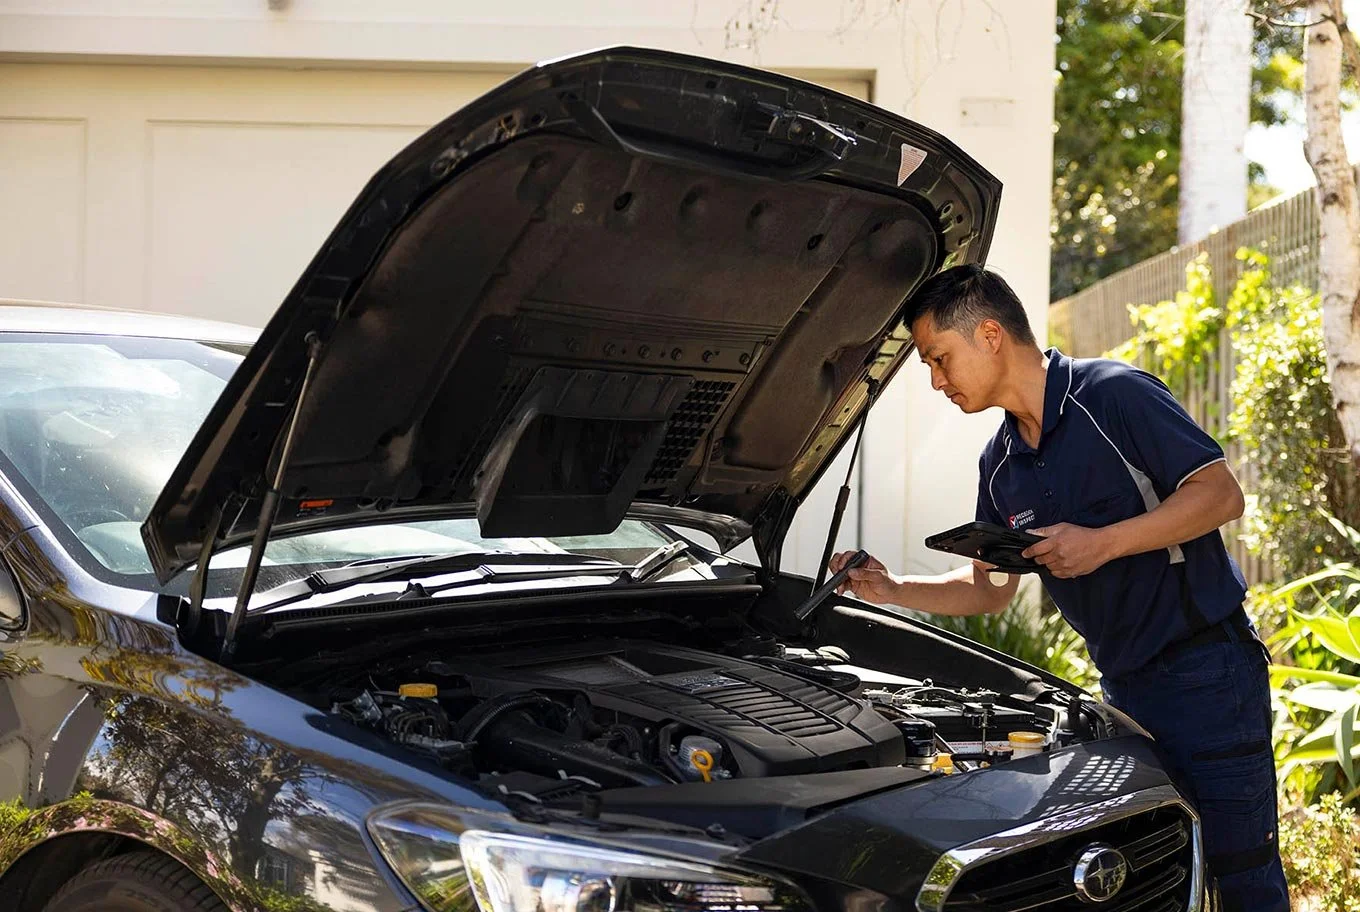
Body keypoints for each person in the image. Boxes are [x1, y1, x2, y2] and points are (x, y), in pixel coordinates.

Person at [828, 264, 1289, 911]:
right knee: (1152, 873)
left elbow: (1220, 495)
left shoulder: (1115, 396)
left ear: (990, 335)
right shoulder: (998, 465)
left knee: (1241, 871)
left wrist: (1102, 542)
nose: (935, 381)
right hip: (1121, 692)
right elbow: (990, 591)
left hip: (1207, 672)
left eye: (939, 359)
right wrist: (891, 587)